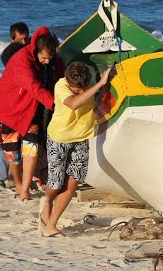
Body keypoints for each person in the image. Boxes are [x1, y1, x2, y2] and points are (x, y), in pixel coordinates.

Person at [39, 61, 115, 238]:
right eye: (77, 89)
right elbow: (73, 104)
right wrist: (99, 84)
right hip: (59, 138)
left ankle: (51, 225)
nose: (81, 92)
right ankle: (48, 201)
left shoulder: (87, 85)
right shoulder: (61, 85)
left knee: (73, 183)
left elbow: (98, 103)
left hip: (81, 139)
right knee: (55, 184)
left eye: (83, 88)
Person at [0, 26, 65, 202]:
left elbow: (60, 77)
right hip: (10, 109)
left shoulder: (53, 60)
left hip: (32, 110)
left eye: (50, 58)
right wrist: (56, 104)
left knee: (31, 148)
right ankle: (18, 183)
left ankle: (25, 190)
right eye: (44, 59)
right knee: (12, 152)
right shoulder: (21, 61)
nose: (47, 62)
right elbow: (34, 87)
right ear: (36, 51)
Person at [0, 22, 29, 187]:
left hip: (7, 128)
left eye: (26, 38)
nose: (24, 43)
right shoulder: (7, 55)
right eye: (20, 40)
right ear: (12, 38)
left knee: (6, 154)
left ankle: (1, 179)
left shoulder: (30, 45)